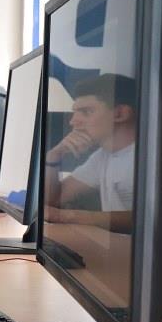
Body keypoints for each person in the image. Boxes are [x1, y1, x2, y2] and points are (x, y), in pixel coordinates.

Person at [44, 73, 136, 232]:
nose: (73, 121)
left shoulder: (147, 158)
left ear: (120, 113)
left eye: (86, 112)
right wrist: (53, 156)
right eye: (75, 113)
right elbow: (53, 200)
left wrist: (67, 216)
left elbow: (153, 219)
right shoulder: (102, 156)